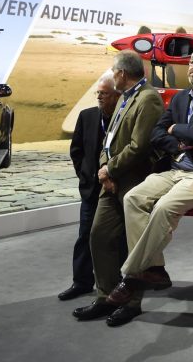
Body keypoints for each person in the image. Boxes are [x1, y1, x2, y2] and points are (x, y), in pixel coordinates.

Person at [104, 47, 193, 319]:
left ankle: (130, 276)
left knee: (164, 208)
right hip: (175, 168)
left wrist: (176, 129)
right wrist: (178, 145)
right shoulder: (179, 98)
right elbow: (156, 133)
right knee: (133, 198)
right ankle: (154, 269)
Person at [73, 51, 163, 327]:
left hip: (133, 183)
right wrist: (105, 169)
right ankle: (106, 297)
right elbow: (108, 141)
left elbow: (139, 146)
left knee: (134, 246)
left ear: (122, 73)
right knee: (99, 236)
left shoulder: (148, 98)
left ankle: (131, 303)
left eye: (114, 71)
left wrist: (110, 169)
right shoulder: (125, 97)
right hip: (110, 182)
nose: (113, 76)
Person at [58, 73, 121, 301]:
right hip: (91, 189)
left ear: (117, 96)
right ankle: (82, 282)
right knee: (85, 235)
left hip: (116, 189)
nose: (99, 97)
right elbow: (76, 151)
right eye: (98, 93)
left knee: (117, 238)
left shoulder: (124, 119)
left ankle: (120, 282)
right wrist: (85, 176)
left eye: (104, 93)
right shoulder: (87, 117)